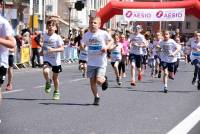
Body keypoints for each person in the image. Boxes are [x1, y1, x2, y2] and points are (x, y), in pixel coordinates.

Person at [80, 16, 113, 105]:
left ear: (99, 25)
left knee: (98, 80)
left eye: (95, 23)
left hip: (101, 61)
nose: (92, 24)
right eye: (91, 23)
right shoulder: (87, 35)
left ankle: (104, 80)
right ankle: (96, 97)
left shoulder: (103, 33)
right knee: (92, 82)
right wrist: (82, 46)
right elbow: (82, 43)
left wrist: (106, 47)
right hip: (91, 61)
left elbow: (111, 41)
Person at [40, 19, 64, 100]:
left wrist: (53, 50)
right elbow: (44, 46)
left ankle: (56, 91)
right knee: (45, 71)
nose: (50, 27)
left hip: (56, 60)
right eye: (49, 25)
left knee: (55, 78)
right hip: (47, 58)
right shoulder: (45, 35)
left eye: (52, 26)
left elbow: (62, 48)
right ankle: (48, 81)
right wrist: (41, 51)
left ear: (55, 28)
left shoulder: (57, 37)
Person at [0, 15, 16, 100]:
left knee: (10, 69)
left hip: (5, 58)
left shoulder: (3, 23)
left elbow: (13, 45)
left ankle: (9, 83)